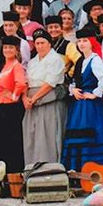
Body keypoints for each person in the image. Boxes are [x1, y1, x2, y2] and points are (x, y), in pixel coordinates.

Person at [61, 28, 103, 170]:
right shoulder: (81, 61)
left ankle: (91, 169)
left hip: (90, 106)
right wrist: (73, 90)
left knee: (89, 134)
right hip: (79, 104)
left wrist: (95, 93)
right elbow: (74, 81)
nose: (82, 44)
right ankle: (76, 169)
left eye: (85, 41)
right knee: (77, 134)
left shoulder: (95, 60)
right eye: (79, 41)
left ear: (91, 42)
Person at [22, 29, 66, 164]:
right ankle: (33, 170)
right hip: (31, 103)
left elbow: (50, 83)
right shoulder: (33, 62)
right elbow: (25, 82)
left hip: (48, 100)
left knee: (48, 137)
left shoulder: (55, 59)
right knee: (32, 138)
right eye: (37, 43)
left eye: (42, 43)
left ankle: (50, 170)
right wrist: (25, 98)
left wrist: (34, 99)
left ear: (49, 44)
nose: (40, 46)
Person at [0, 36, 26, 172]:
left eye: (10, 48)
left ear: (16, 49)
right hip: (2, 107)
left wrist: (13, 96)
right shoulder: (5, 65)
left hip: (11, 108)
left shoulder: (16, 65)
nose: (7, 50)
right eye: (5, 47)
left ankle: (14, 173)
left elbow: (21, 83)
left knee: (12, 141)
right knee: (3, 142)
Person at [45, 15, 81, 81]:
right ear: (47, 30)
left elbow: (79, 60)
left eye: (56, 27)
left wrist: (69, 75)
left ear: (61, 28)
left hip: (60, 82)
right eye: (50, 27)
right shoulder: (44, 45)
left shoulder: (68, 45)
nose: (53, 30)